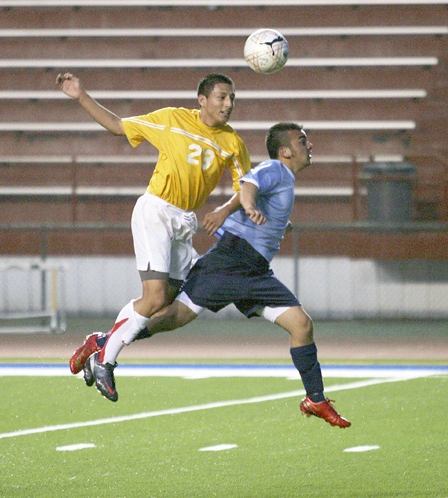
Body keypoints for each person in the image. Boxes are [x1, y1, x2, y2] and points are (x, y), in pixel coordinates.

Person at [79, 122, 351, 429]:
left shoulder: (285, 179)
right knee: (173, 317)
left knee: (301, 325)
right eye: (302, 141)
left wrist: (273, 221)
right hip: (229, 261)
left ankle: (315, 399)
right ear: (285, 151)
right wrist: (245, 205)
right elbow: (249, 185)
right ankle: (103, 342)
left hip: (255, 270)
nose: (309, 146)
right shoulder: (275, 168)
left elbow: (255, 196)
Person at [57, 72, 251, 386]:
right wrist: (81, 96)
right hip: (157, 211)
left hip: (184, 221)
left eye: (232, 98)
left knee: (165, 304)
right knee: (154, 296)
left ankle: (101, 342)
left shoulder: (233, 142)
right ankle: (106, 360)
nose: (228, 104)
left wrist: (225, 209)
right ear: (202, 100)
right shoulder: (171, 119)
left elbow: (246, 188)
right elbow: (118, 126)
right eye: (222, 97)